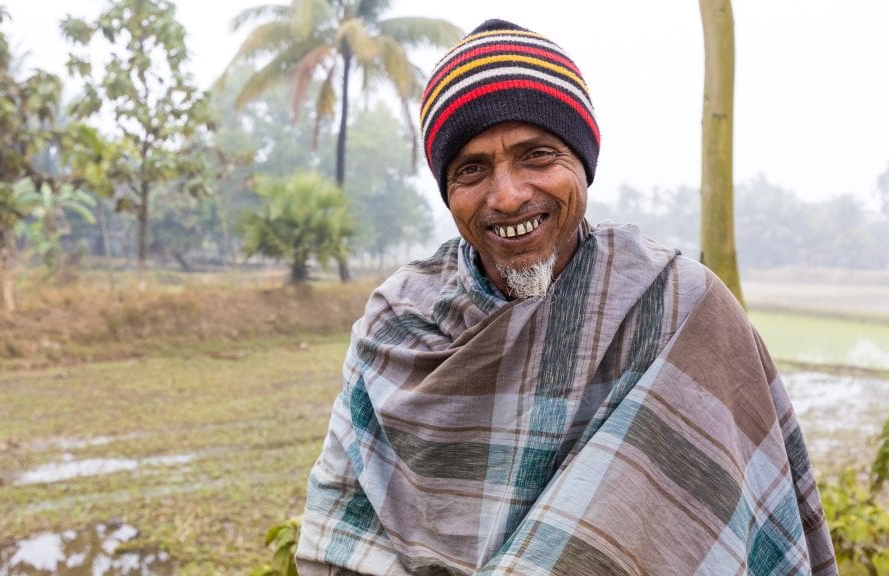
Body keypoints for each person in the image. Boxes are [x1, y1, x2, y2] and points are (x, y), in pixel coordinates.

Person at [296, 18, 837, 575]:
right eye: (472, 169)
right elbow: (341, 534)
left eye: (537, 156)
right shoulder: (399, 321)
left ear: (583, 163)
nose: (507, 197)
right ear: (448, 191)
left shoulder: (680, 307)